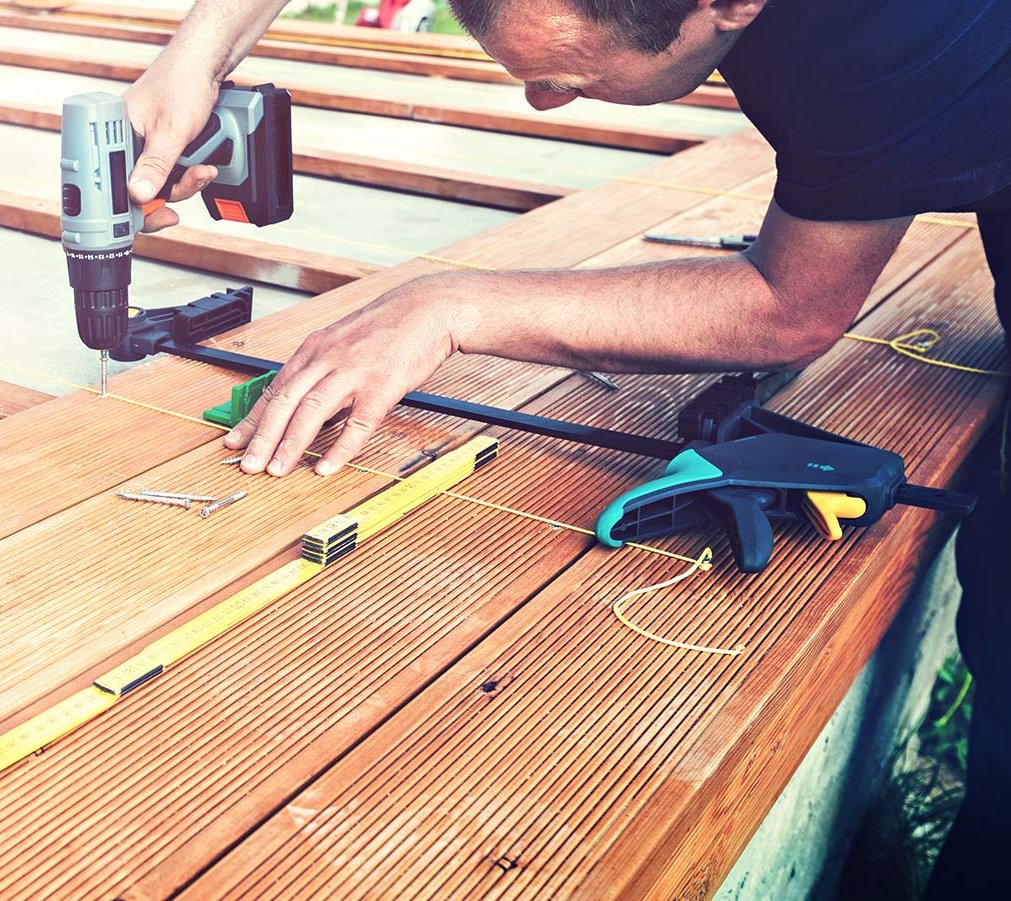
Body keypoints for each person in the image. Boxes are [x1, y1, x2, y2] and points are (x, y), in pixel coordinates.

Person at [125, 1, 1009, 892]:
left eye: (568, 77)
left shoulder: (880, 29)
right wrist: (198, 52)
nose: (544, 107)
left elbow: (789, 307)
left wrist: (451, 305)